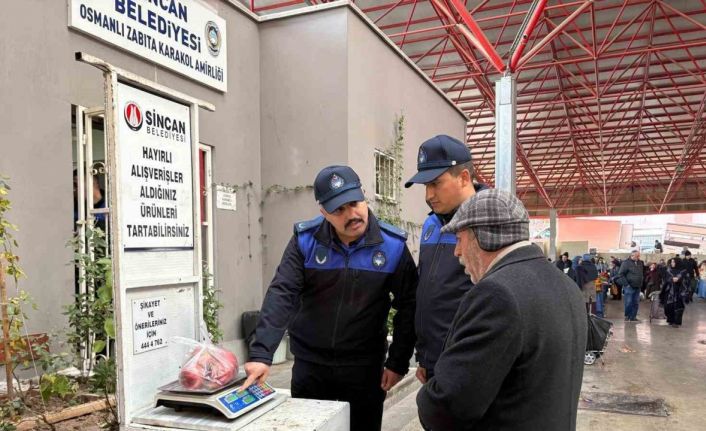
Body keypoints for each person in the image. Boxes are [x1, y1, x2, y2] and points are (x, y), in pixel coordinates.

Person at [243, 165, 418, 431]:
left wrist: (397, 362)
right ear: (323, 212)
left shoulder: (391, 246)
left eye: (354, 203)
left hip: (364, 368)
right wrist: (261, 353)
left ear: (364, 197)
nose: (352, 215)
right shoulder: (305, 241)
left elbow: (409, 304)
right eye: (339, 210)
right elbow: (283, 292)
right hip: (311, 367)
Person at [416, 189, 587, 430]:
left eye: (459, 239)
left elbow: (448, 405)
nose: (456, 252)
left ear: (482, 236)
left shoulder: (497, 295)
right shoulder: (565, 284)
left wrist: (426, 398)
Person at [403, 134, 487, 384]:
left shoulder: (488, 223)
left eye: (436, 183)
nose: (429, 194)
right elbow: (429, 293)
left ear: (463, 177)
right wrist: (425, 358)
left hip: (468, 364)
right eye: (425, 186)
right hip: (434, 364)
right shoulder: (431, 224)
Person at [660, 258, 688, 328]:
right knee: (668, 307)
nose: (672, 263)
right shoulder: (669, 270)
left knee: (677, 307)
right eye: (671, 262)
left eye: (673, 262)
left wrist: (679, 279)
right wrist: (671, 280)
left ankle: (676, 322)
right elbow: (665, 279)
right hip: (669, 291)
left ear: (677, 263)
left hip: (679, 292)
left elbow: (687, 281)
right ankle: (670, 320)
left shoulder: (683, 271)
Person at [618, 250, 644, 322]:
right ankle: (627, 316)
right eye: (637, 256)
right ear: (632, 255)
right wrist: (626, 284)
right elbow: (620, 274)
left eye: (639, 256)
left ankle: (633, 317)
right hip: (629, 286)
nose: (638, 257)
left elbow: (641, 273)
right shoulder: (626, 263)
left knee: (636, 302)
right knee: (629, 302)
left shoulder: (640, 263)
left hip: (638, 286)